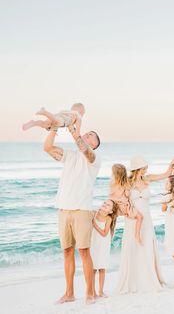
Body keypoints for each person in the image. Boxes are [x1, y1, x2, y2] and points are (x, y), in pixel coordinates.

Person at [43, 123, 101, 305]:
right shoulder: (69, 155)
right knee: (67, 252)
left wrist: (75, 135)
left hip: (82, 210)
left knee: (84, 251)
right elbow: (47, 148)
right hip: (63, 209)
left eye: (92, 135)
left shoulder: (94, 158)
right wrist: (53, 129)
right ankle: (69, 293)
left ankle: (90, 292)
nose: (88, 134)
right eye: (88, 132)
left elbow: (86, 151)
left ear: (95, 144)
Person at [116, 155, 174, 293]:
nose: (146, 169)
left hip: (146, 220)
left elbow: (165, 175)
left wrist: (172, 165)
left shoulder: (148, 178)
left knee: (146, 245)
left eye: (146, 167)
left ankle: (149, 277)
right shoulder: (127, 182)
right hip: (132, 219)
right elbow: (120, 199)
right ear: (137, 168)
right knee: (133, 245)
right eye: (144, 167)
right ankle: (134, 280)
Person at [109, 163, 143, 244]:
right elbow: (126, 195)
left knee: (111, 222)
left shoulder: (112, 183)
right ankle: (137, 235)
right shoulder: (126, 183)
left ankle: (109, 236)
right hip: (124, 207)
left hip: (116, 207)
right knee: (140, 217)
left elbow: (112, 196)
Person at [90, 199, 118, 298]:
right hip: (94, 243)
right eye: (105, 203)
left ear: (111, 211)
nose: (105, 205)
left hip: (103, 244)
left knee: (101, 267)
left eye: (108, 205)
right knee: (92, 268)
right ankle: (92, 291)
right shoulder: (94, 213)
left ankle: (101, 291)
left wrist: (94, 224)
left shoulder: (108, 219)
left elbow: (104, 233)